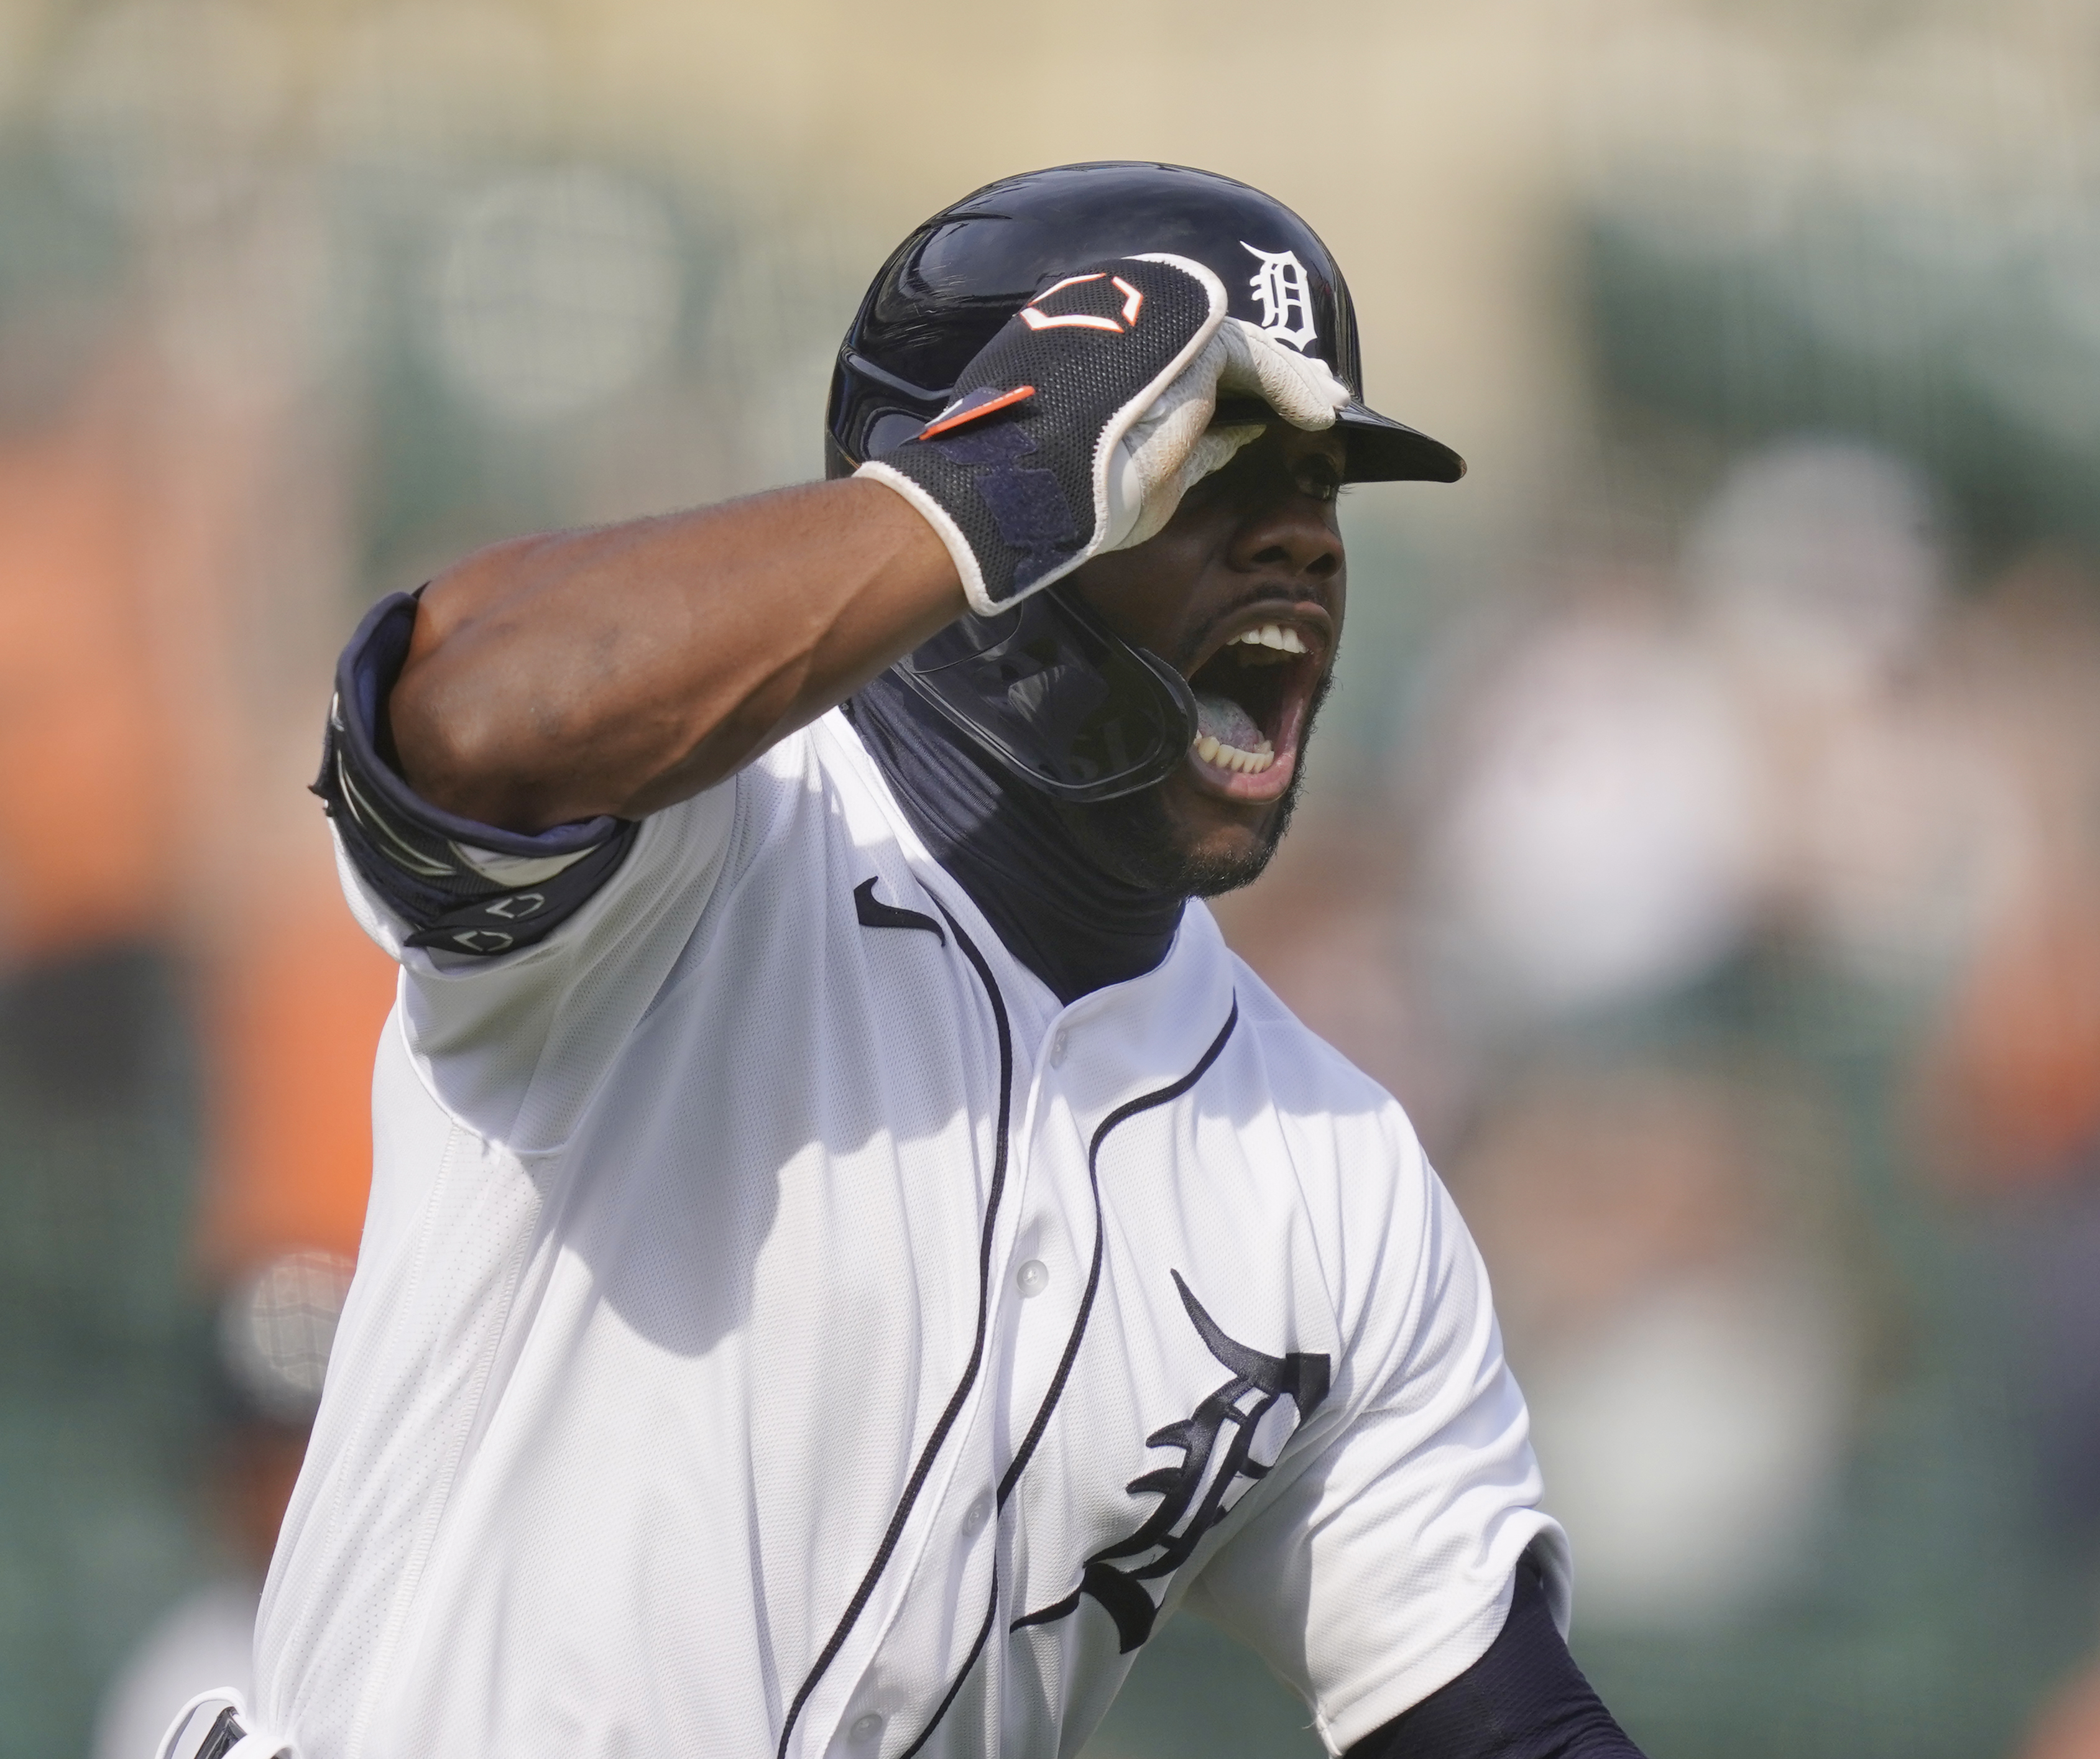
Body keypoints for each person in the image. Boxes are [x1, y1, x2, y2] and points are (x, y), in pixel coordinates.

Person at [160, 163, 1642, 1759]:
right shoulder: (702, 850)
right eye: (1198, 462)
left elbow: (1494, 1724)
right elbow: (465, 720)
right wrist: (983, 493)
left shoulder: (1331, 1177)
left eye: (1319, 486)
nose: (1300, 542)